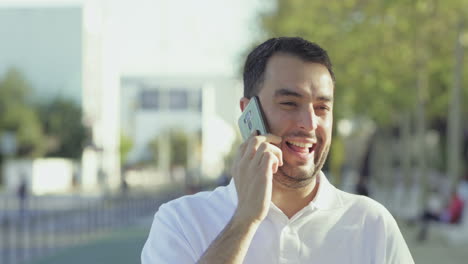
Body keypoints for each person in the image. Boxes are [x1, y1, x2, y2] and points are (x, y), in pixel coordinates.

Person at [141, 37, 414, 263]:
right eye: (289, 104)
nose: (309, 124)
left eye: (322, 108)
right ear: (248, 112)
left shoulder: (372, 224)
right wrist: (245, 219)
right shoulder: (180, 221)